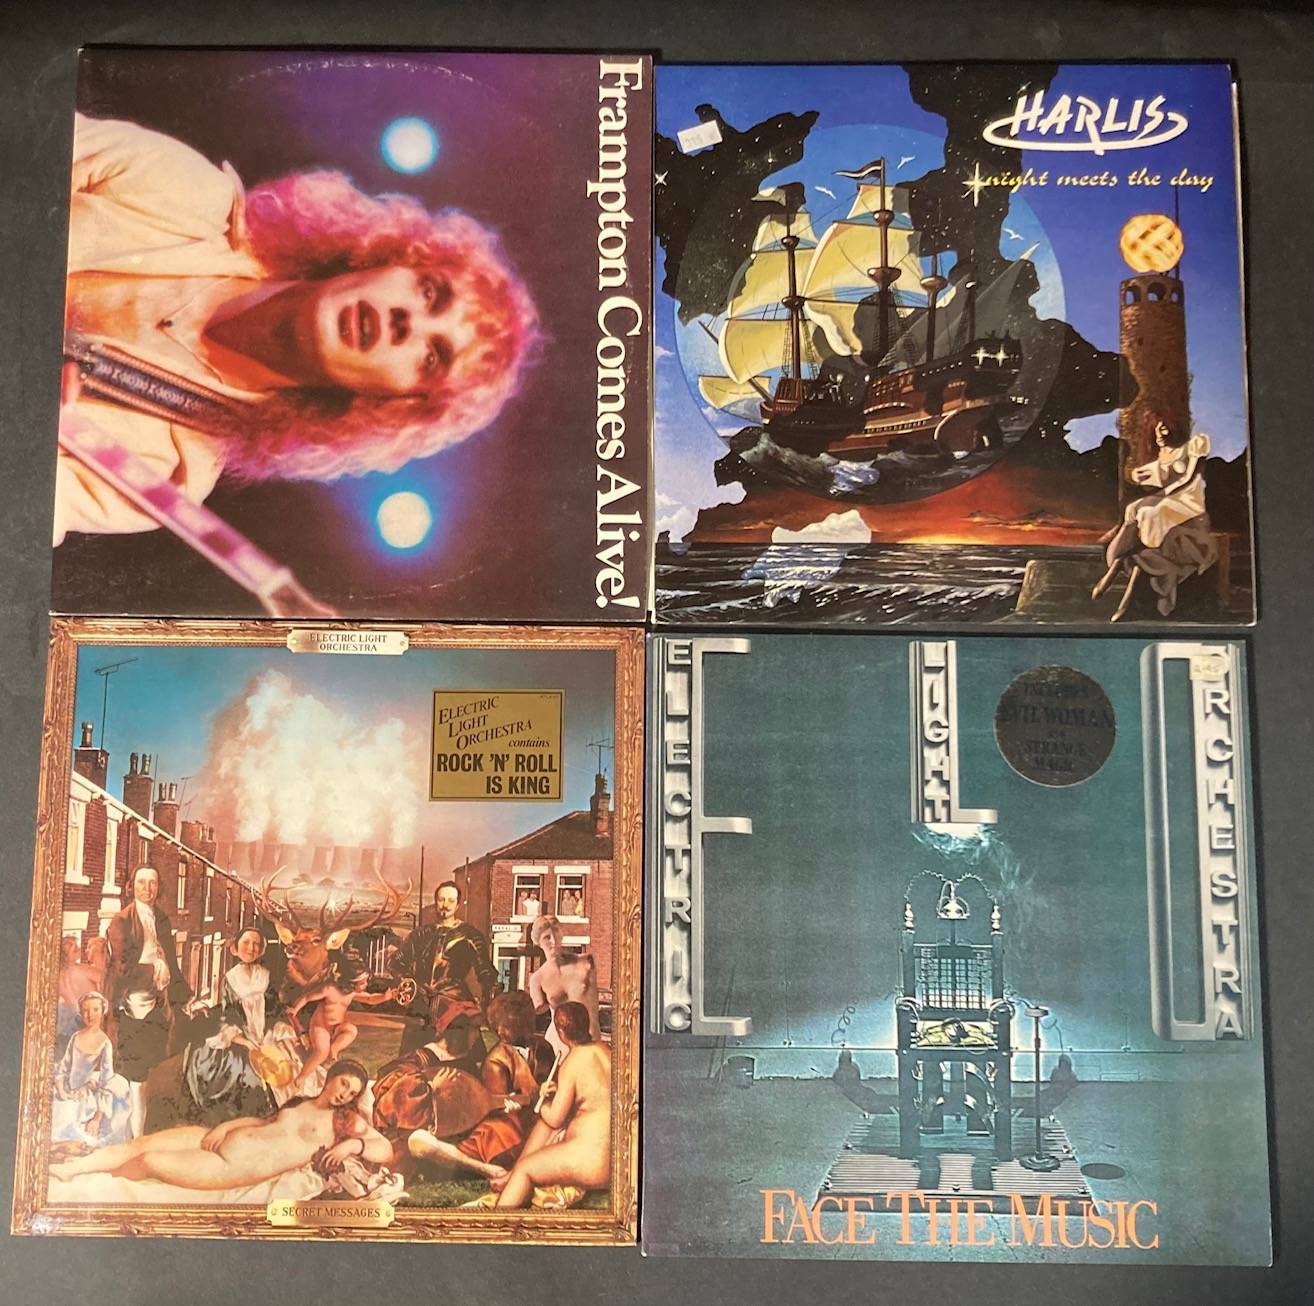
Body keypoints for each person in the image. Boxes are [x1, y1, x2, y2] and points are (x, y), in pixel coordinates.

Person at [58, 113, 537, 544]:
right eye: (430, 292)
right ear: (386, 258)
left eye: (431, 356)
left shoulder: (165, 475)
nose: (405, 322)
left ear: (392, 402)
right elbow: (33, 140)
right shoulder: (190, 195)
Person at [50, 1060, 388, 1192]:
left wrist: (352, 1144)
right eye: (344, 1084)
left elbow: (384, 1148)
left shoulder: (344, 1122)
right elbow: (265, 1123)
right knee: (141, 1143)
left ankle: (97, 1184)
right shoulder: (300, 1101)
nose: (345, 1094)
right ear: (332, 1077)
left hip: (230, 1165)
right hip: (220, 1139)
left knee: (148, 1161)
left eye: (352, 1093)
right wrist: (226, 1127)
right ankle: (72, 1170)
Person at [1092, 418, 1217, 621]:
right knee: (1134, 508)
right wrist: (1139, 474)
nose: (1160, 435)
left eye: (1164, 429)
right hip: (1169, 497)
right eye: (1158, 431)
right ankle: (1119, 554)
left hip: (1189, 502)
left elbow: (1188, 478)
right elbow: (1159, 471)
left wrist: (1163, 493)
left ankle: (1140, 553)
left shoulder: (1195, 445)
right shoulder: (1166, 453)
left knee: (1153, 512)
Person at [105, 865, 198, 1136]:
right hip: (130, 1006)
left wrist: (186, 997)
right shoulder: (121, 921)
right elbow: (122, 969)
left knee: (153, 1074)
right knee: (136, 1079)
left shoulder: (161, 918)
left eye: (153, 883)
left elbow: (171, 963)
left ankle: (141, 1133)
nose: (147, 888)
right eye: (141, 882)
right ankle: (134, 1139)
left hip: (158, 1005)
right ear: (131, 886)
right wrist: (155, 968)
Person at [492, 1001, 611, 1207]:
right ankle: (511, 1175)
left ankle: (497, 1220)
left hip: (593, 1163)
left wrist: (543, 1100)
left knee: (525, 1170)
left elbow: (555, 1118)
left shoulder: (572, 1062)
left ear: (561, 1032)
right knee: (544, 1126)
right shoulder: (604, 1050)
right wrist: (558, 1092)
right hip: (617, 1157)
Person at [181, 926, 302, 1124]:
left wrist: (274, 1032)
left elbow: (273, 1009)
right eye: (246, 943)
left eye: (256, 944)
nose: (251, 948)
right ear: (235, 948)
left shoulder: (266, 975)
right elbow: (229, 1014)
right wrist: (244, 1041)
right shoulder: (230, 978)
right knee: (243, 1072)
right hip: (242, 1035)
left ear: (261, 950)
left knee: (285, 1067)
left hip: (265, 1033)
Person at [390, 881, 499, 1053]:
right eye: (441, 900)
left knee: (460, 1060)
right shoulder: (420, 934)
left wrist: (486, 1008)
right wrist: (410, 986)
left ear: (458, 904)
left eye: (450, 900)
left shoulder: (471, 935)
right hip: (420, 1008)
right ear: (435, 902)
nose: (445, 905)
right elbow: (397, 964)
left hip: (455, 1008)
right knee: (411, 1060)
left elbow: (487, 974)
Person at [286, 956, 396, 1095]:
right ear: (351, 982)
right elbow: (307, 997)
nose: (366, 984)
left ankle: (334, 1049)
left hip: (336, 1027)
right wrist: (295, 1009)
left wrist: (384, 997)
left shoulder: (352, 993)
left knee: (351, 1030)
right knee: (321, 1052)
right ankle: (301, 1077)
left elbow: (369, 999)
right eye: (363, 982)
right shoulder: (329, 989)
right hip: (320, 1027)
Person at [51, 991, 131, 1147]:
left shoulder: (105, 1042)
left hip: (87, 1095)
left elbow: (106, 1082)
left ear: (103, 1011)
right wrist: (61, 1090)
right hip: (66, 1088)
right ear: (81, 1013)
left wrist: (97, 1118)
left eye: (95, 1010)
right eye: (86, 1010)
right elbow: (64, 1067)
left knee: (75, 1129)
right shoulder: (75, 1037)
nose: (90, 1015)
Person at [527, 915, 600, 1054]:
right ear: (538, 942)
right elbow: (534, 1013)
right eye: (547, 937)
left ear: (561, 935)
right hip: (558, 1044)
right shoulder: (537, 978)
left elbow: (594, 1009)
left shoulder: (586, 963)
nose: (553, 941)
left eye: (556, 933)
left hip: (589, 1039)